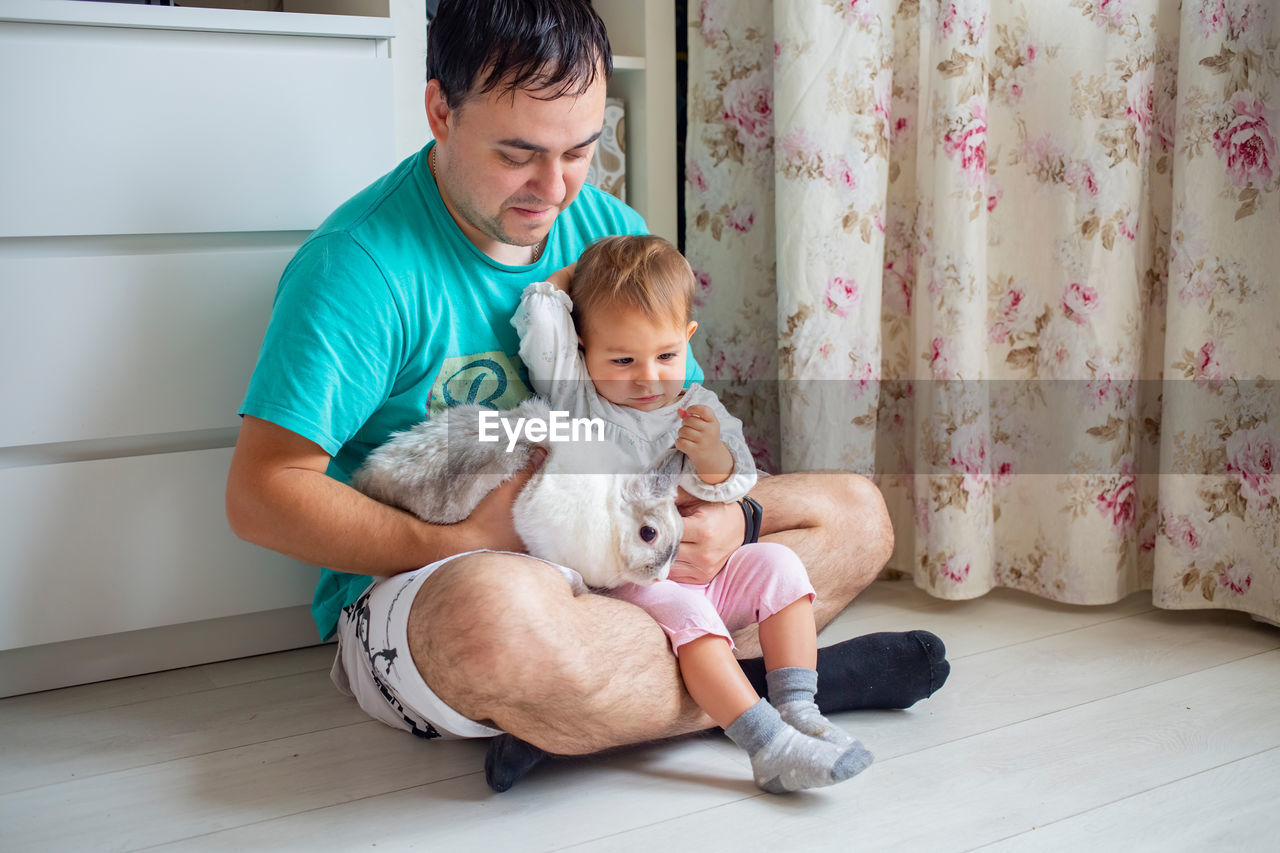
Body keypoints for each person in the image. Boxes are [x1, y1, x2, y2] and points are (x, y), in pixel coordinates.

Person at [225, 0, 948, 794]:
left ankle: (586, 717)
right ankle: (802, 683)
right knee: (495, 621)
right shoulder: (357, 266)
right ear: (440, 110)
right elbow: (262, 494)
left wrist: (720, 519)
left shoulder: (607, 229)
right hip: (447, 577)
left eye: (581, 150)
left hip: (630, 551)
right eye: (518, 154)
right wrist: (460, 538)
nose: (555, 187)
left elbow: (674, 414)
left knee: (856, 513)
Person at [513, 234, 874, 792]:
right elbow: (539, 311)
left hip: (707, 568)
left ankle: (799, 710)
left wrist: (711, 457)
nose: (647, 378)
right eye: (622, 360)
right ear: (584, 348)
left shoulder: (698, 407)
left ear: (687, 341)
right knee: (691, 616)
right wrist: (579, 279)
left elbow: (740, 481)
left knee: (780, 565)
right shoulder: (577, 397)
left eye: (665, 356)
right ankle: (766, 744)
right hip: (633, 581)